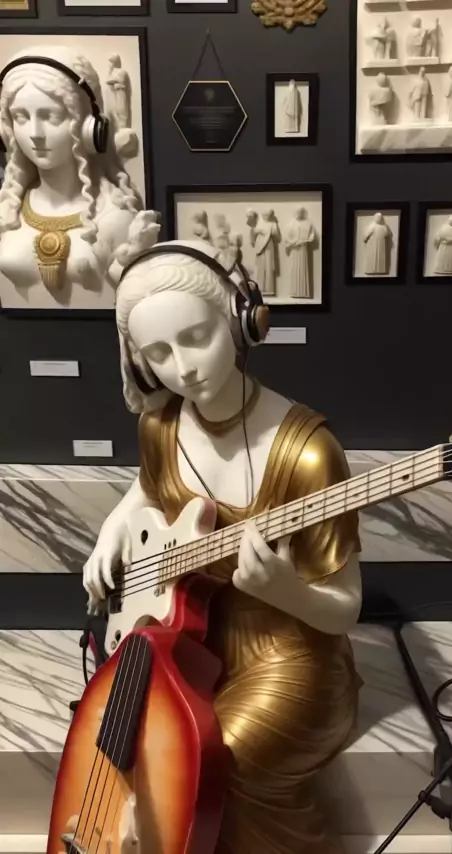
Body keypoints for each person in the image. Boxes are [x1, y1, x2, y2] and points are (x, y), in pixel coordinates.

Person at [83, 239, 363, 854]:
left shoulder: (308, 452)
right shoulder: (160, 426)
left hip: (290, 651)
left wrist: (286, 591)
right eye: (158, 353)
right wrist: (113, 529)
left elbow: (345, 607)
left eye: (196, 337)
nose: (182, 368)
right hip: (186, 638)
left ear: (241, 321)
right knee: (121, 733)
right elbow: (147, 489)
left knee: (212, 755)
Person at [0, 46, 158, 308]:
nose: (35, 133)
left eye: (51, 116)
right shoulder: (7, 211)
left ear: (89, 127)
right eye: (21, 117)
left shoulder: (114, 217)